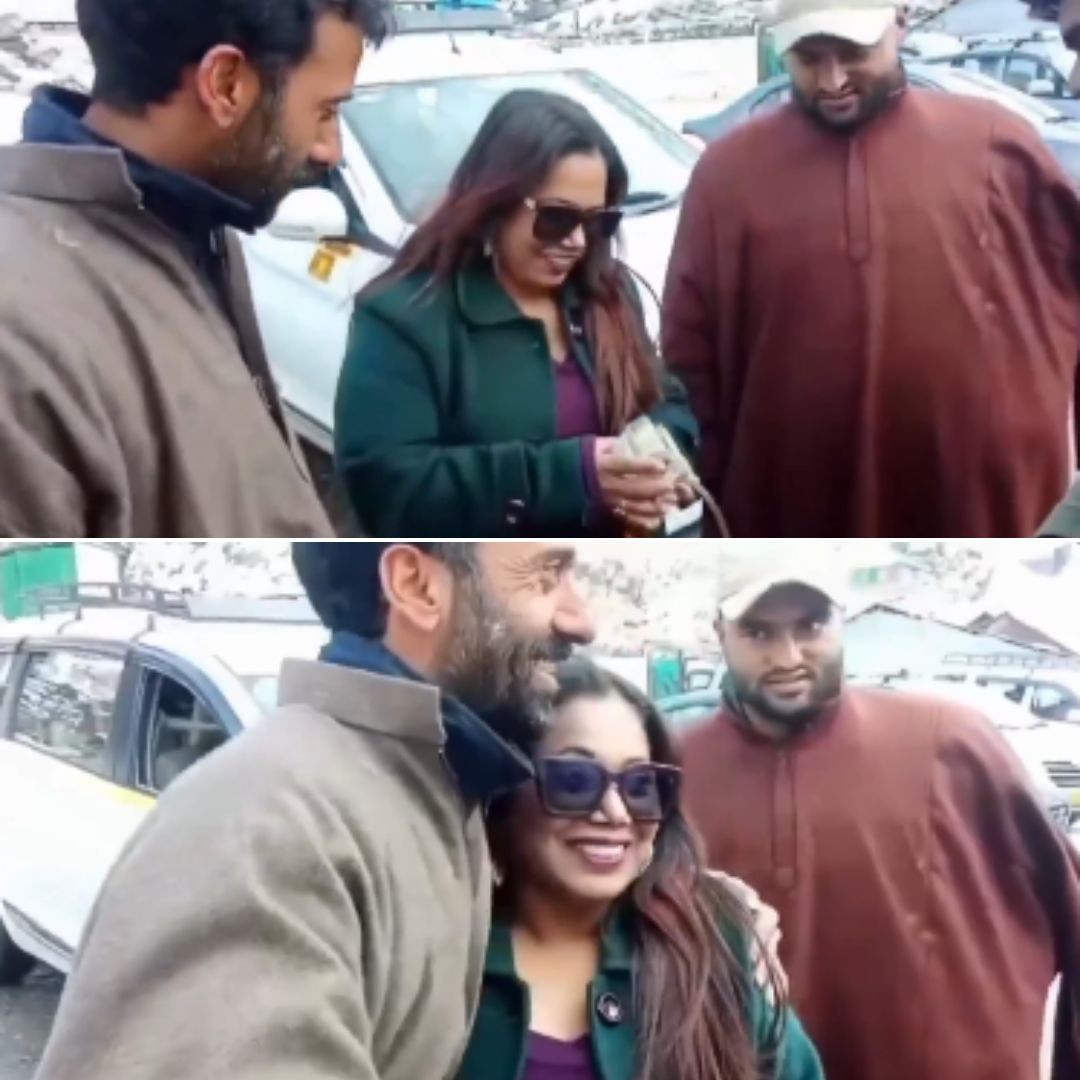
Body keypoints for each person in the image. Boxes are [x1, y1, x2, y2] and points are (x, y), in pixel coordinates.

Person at [34, 541, 596, 1080]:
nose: (582, 620)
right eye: (545, 577)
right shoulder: (268, 825)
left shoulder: (440, 785)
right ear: (417, 586)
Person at [662, 0, 1080, 538]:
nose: (832, 80)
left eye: (852, 52)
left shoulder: (999, 144)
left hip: (984, 508)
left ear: (900, 23)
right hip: (793, 505)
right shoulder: (727, 174)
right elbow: (688, 354)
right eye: (808, 58)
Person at [0, 0, 395, 537]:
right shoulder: (20, 336)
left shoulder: (190, 224)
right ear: (225, 84)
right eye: (325, 111)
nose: (330, 149)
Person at [679, 554, 1080, 1080]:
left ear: (842, 620)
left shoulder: (951, 742)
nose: (788, 656)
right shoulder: (671, 773)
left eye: (811, 626)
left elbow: (1070, 907)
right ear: (720, 634)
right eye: (758, 632)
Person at [335, 89, 700, 538]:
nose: (577, 241)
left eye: (596, 222)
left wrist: (657, 467)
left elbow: (669, 404)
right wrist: (573, 476)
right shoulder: (404, 317)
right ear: (497, 203)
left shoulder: (610, 293)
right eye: (556, 218)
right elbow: (390, 490)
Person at [457, 657, 823, 1080]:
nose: (616, 813)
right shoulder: (445, 957)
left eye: (640, 785)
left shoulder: (715, 944)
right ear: (506, 789)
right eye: (575, 780)